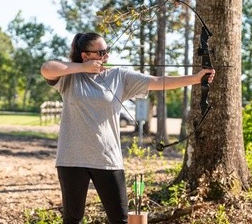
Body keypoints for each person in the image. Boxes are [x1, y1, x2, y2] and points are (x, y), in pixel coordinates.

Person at [40, 32, 215, 224]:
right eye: (101, 52)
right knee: (72, 219)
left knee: (121, 219)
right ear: (85, 55)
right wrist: (82, 68)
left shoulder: (119, 76)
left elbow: (158, 81)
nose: (106, 56)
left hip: (108, 159)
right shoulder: (70, 78)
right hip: (72, 159)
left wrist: (197, 78)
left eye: (107, 51)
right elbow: (47, 68)